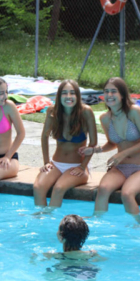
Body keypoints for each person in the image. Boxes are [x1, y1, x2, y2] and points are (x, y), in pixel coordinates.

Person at [80, 78, 140, 224]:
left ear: (122, 94)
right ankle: (97, 222)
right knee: (103, 189)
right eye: (106, 91)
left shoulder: (134, 112)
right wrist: (94, 150)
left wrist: (122, 154)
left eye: (113, 91)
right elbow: (112, 143)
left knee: (127, 193)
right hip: (120, 168)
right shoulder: (105, 118)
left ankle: (139, 225)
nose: (109, 95)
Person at [33, 80, 97, 208]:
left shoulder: (85, 111)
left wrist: (83, 166)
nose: (68, 96)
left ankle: (51, 218)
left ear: (77, 95)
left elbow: (93, 142)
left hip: (77, 166)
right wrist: (46, 162)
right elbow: (44, 136)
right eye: (64, 93)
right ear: (59, 96)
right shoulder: (53, 111)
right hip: (56, 164)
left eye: (72, 93)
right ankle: (41, 217)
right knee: (38, 187)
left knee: (58, 188)